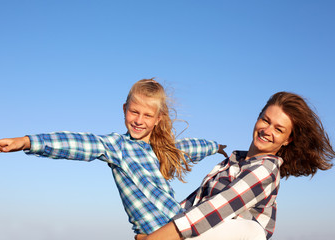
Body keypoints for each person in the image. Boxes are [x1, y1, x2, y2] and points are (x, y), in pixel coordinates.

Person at [0, 78, 227, 236]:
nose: (139, 120)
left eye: (147, 116)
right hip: (152, 233)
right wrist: (28, 141)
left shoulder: (163, 149)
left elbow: (192, 147)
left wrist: (216, 146)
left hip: (180, 228)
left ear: (158, 119)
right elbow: (78, 143)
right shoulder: (116, 145)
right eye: (134, 111)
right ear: (124, 109)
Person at [136, 91, 334, 240]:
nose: (267, 130)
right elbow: (193, 204)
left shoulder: (266, 170)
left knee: (251, 230)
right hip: (203, 232)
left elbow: (214, 209)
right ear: (258, 118)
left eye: (278, 129)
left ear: (287, 140)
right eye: (265, 120)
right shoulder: (232, 162)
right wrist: (153, 225)